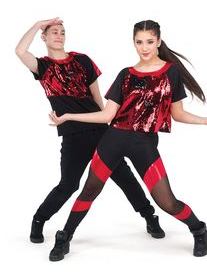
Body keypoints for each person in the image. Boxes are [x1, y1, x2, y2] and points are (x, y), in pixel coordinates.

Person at [48, 19, 207, 261]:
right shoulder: (126, 74)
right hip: (112, 139)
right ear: (133, 43)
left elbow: (178, 113)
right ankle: (64, 237)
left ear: (158, 42)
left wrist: (205, 120)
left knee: (167, 202)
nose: (144, 48)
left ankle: (198, 229)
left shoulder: (170, 72)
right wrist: (69, 116)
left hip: (143, 144)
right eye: (139, 42)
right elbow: (107, 115)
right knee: (89, 189)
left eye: (149, 42)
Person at [15, 18, 165, 245]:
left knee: (124, 176)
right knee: (69, 185)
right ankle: (39, 220)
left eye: (62, 32)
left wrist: (108, 124)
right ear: (44, 38)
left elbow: (98, 99)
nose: (59, 35)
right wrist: (38, 24)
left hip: (100, 132)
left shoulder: (82, 61)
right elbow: (19, 50)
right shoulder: (43, 67)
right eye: (53, 32)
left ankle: (149, 216)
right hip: (73, 135)